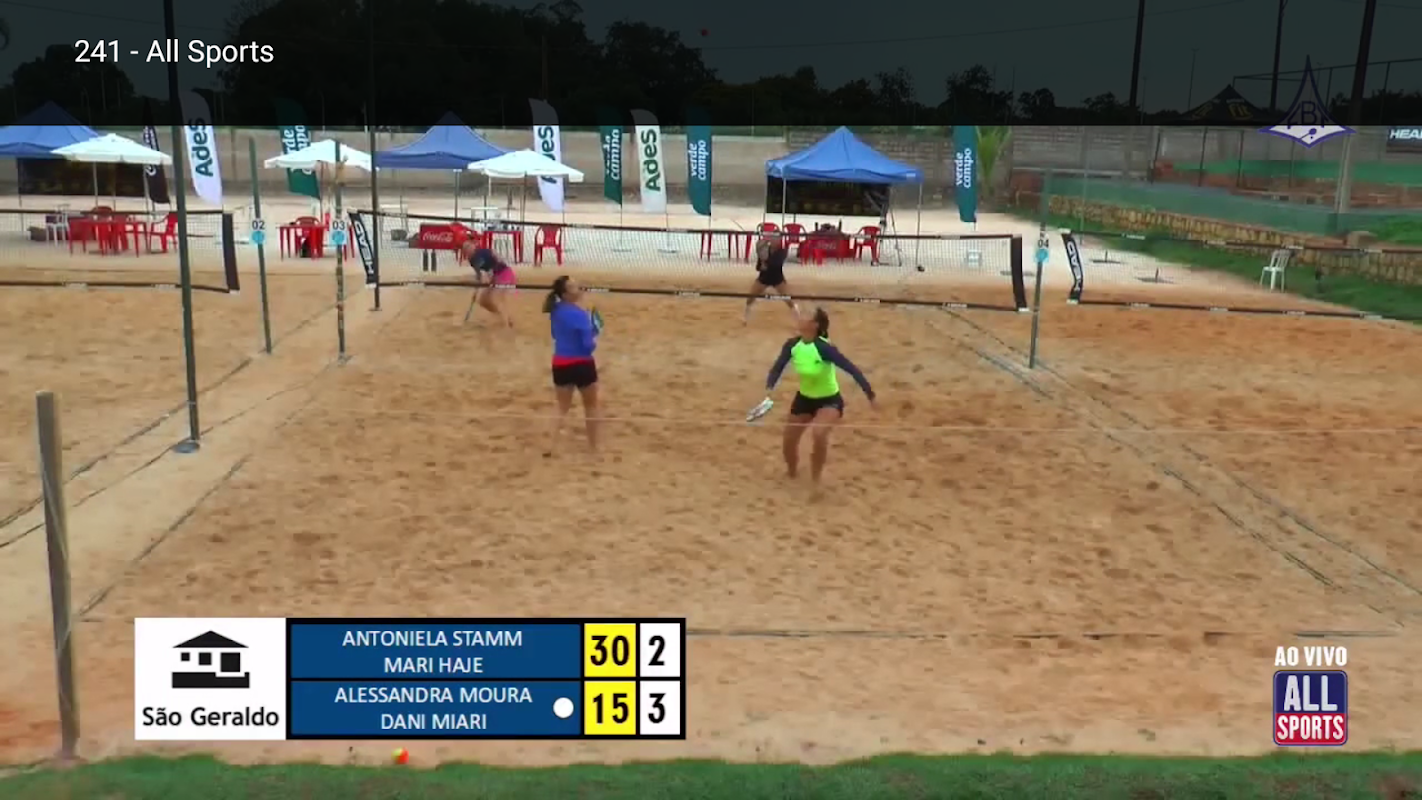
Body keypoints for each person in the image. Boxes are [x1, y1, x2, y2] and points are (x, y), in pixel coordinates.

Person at [764, 307, 876, 484]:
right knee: (789, 441)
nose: (800, 317)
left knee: (819, 433)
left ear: (815, 325)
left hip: (829, 400)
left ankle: (816, 479)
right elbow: (778, 367)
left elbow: (851, 369)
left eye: (805, 315)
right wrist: (769, 387)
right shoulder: (792, 345)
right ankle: (792, 473)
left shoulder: (824, 348)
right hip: (804, 399)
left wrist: (870, 395)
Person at [542, 275, 601, 457]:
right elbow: (588, 346)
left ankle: (550, 446)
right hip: (582, 363)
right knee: (591, 406)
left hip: (561, 363)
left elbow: (555, 335)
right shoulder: (580, 315)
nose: (579, 288)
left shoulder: (556, 311)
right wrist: (594, 332)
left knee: (561, 408)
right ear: (566, 294)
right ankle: (593, 448)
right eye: (574, 287)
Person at [743, 231, 799, 325]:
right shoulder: (764, 250)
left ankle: (797, 320)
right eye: (773, 237)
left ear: (780, 240)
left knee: (788, 300)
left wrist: (766, 262)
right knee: (750, 298)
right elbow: (758, 267)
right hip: (763, 278)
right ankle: (746, 318)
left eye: (776, 238)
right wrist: (761, 264)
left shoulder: (782, 252)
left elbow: (776, 263)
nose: (774, 240)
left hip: (777, 279)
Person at [462, 240, 515, 329]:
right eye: (465, 248)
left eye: (469, 247)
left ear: (473, 247)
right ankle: (505, 317)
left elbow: (492, 254)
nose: (468, 250)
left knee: (496, 298)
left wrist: (498, 260)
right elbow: (479, 276)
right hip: (495, 277)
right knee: (483, 300)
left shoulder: (481, 254)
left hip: (504, 274)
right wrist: (476, 291)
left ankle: (506, 324)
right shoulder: (472, 261)